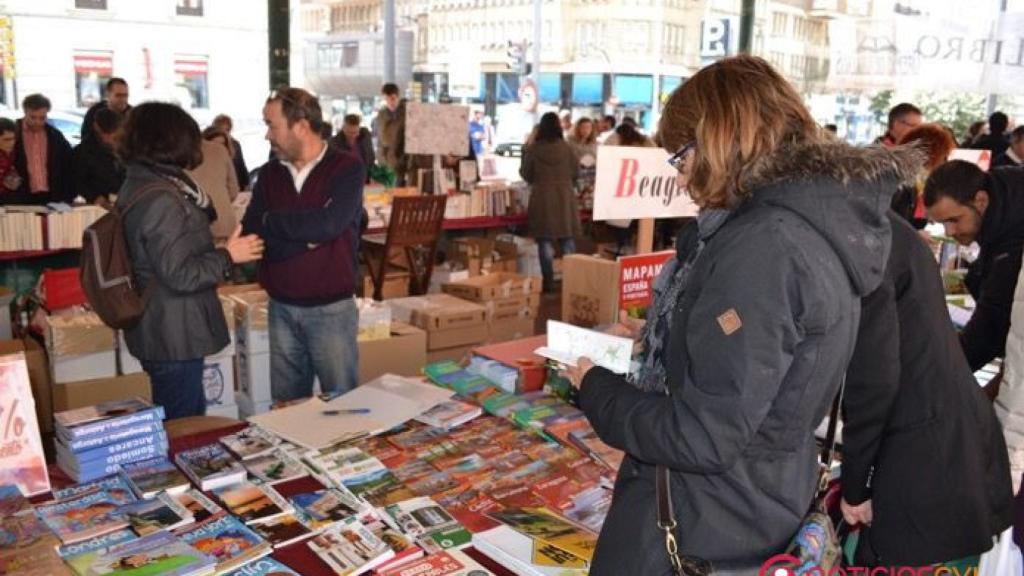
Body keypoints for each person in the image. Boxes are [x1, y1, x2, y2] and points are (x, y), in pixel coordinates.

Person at [562, 55, 895, 574]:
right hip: (756, 503)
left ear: (716, 139)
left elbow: (703, 435)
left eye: (682, 155)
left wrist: (595, 387)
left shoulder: (763, 246)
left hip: (700, 521)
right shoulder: (815, 227)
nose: (681, 175)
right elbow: (755, 372)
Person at [841, 210, 1013, 568]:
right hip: (953, 447)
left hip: (923, 465)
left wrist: (856, 486)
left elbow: (873, 383)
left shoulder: (867, 243)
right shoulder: (891, 229)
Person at [117, 102, 263, 419]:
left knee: (180, 414)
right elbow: (180, 273)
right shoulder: (162, 197)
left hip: (166, 325)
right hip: (172, 330)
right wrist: (228, 255)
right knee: (184, 423)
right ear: (171, 140)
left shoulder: (144, 182)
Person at [241, 87, 365, 402]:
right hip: (280, 308)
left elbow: (330, 224)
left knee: (343, 408)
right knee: (287, 409)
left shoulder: (347, 168)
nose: (267, 135)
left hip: (332, 312)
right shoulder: (269, 174)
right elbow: (253, 231)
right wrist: (304, 240)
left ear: (301, 126)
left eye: (272, 125)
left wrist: (274, 223)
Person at [925, 160, 1024, 372]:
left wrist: (941, 374)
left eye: (954, 220)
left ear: (980, 200)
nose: (949, 232)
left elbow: (992, 325)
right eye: (942, 224)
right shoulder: (1002, 197)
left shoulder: (1015, 224)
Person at [520, 112, 579, 294]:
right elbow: (575, 172)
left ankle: (549, 283)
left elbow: (526, 174)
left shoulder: (534, 149)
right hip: (564, 197)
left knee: (545, 241)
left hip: (542, 198)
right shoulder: (568, 148)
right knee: (568, 239)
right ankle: (572, 280)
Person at [890, 123, 956, 229]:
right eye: (944, 156)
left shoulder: (916, 179)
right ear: (933, 153)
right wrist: (917, 234)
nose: (944, 162)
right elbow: (895, 223)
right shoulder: (903, 180)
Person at [12, 93, 73, 205]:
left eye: (42, 118)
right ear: (25, 112)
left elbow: (67, 165)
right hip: (20, 196)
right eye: (33, 117)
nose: (38, 122)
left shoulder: (54, 135)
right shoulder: (14, 133)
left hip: (51, 196)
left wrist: (66, 196)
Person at [190, 127, 240, 243]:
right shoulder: (221, 150)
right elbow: (233, 190)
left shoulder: (178, 154)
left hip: (195, 225)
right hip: (224, 222)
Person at [72, 107, 125, 206]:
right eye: (106, 134)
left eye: (114, 135)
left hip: (124, 200)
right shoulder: (83, 151)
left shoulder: (126, 147)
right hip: (99, 204)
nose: (109, 139)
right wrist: (94, 196)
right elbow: (78, 180)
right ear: (97, 127)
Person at [373, 83, 407, 185]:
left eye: (392, 99)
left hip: (401, 163)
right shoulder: (381, 115)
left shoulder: (407, 114)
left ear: (398, 97)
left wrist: (402, 162)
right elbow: (379, 141)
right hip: (385, 163)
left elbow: (409, 142)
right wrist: (381, 159)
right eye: (386, 99)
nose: (390, 102)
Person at [81, 77, 130, 142]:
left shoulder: (132, 114)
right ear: (108, 94)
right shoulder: (93, 113)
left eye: (125, 95)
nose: (123, 99)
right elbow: (85, 139)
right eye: (118, 95)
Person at [330, 114, 374, 182]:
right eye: (349, 133)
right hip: (344, 183)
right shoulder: (334, 144)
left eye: (355, 132)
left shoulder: (365, 138)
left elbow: (371, 158)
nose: (353, 136)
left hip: (364, 181)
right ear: (343, 128)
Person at [212, 114, 250, 190]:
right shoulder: (211, 145)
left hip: (236, 186)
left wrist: (246, 184)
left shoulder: (235, 144)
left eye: (227, 129)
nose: (225, 132)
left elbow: (241, 166)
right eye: (222, 129)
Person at [0, 118, 22, 195]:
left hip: (8, 197)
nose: (12, 143)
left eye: (14, 139)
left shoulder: (13, 151)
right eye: (7, 139)